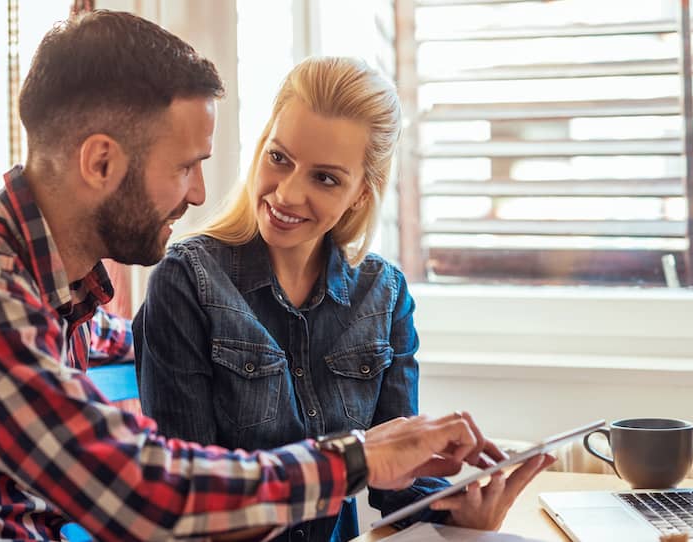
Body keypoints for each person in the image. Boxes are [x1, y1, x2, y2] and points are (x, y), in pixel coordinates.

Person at [0, 12, 508, 541]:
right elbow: (138, 491)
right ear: (102, 163)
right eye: (185, 166)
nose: (199, 195)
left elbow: (166, 463)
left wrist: (439, 485)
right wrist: (359, 459)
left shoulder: (70, 309)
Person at [133, 56, 554, 542]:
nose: (287, 194)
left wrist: (463, 518)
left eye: (325, 178)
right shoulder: (186, 282)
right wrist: (353, 461)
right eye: (279, 158)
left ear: (360, 193)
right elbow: (190, 511)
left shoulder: (385, 295)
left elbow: (401, 493)